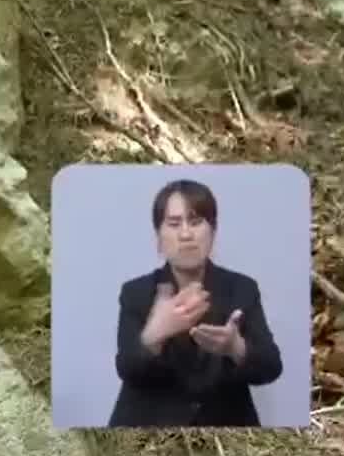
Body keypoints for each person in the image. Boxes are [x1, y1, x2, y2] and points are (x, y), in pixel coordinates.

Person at [108, 178, 283, 427]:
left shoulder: (242, 288)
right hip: (148, 433)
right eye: (174, 223)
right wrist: (154, 333)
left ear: (213, 230)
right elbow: (126, 368)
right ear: (159, 234)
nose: (186, 234)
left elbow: (271, 367)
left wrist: (236, 347)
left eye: (196, 221)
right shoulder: (136, 292)